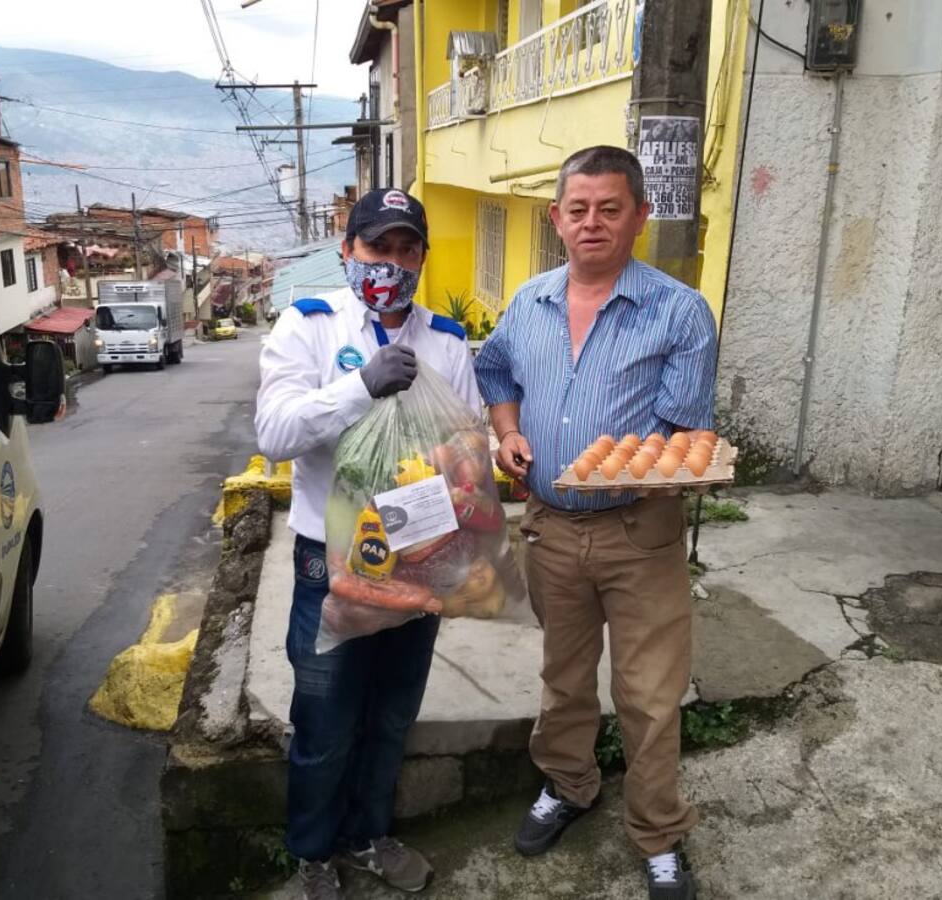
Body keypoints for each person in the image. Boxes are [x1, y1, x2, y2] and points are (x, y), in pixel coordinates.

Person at [474, 145, 717, 900]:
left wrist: (628, 465)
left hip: (639, 534)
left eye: (610, 208)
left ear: (639, 216)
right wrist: (508, 432)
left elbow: (683, 434)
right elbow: (495, 371)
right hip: (549, 529)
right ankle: (570, 785)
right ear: (556, 217)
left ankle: (658, 833)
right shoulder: (529, 302)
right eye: (578, 209)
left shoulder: (678, 311)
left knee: (650, 695)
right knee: (565, 678)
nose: (592, 223)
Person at [255, 187, 480, 900]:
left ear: (422, 258)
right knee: (325, 720)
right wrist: (360, 387)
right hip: (331, 561)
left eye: (407, 249)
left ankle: (369, 835)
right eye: (378, 247)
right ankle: (313, 853)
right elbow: (275, 434)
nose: (392, 262)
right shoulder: (309, 326)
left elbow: (466, 444)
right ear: (347, 250)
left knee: (390, 714)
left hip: (419, 559)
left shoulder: (447, 340)